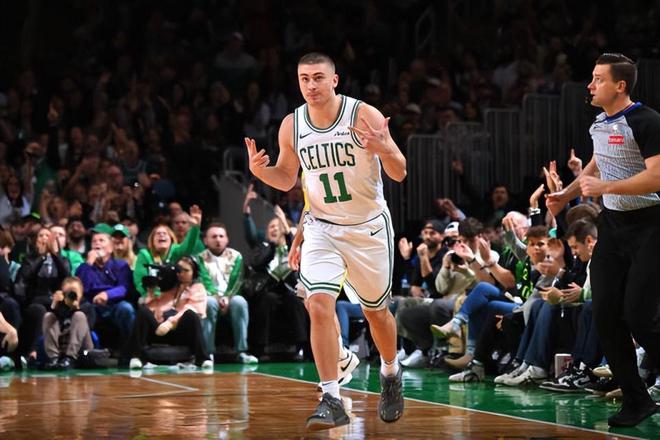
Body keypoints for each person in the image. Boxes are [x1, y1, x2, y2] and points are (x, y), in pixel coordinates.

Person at [245, 52, 406, 430]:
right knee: (317, 303)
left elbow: (399, 171)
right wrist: (261, 173)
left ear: (335, 80)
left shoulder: (362, 115)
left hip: (367, 228)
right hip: (322, 227)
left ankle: (390, 371)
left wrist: (384, 148)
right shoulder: (292, 124)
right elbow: (288, 178)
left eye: (318, 77)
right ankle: (331, 397)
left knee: (376, 313)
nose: (311, 85)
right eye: (304, 78)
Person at [547, 53, 660, 427]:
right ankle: (637, 400)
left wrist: (605, 187)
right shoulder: (599, 123)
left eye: (598, 79)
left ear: (620, 85)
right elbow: (598, 164)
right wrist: (565, 194)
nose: (590, 85)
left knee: (639, 315)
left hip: (651, 223)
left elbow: (657, 177)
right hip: (613, 223)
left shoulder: (646, 121)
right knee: (605, 312)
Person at [42, 277, 93, 370]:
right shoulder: (59, 307)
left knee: (79, 315)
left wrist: (76, 309)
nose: (71, 296)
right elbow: (49, 326)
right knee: (49, 316)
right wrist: (54, 306)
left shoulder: (87, 306)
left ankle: (70, 358)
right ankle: (53, 358)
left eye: (74, 293)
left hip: (81, 349)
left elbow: (88, 328)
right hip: (61, 346)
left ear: (81, 293)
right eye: (67, 293)